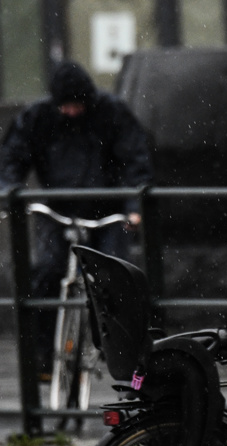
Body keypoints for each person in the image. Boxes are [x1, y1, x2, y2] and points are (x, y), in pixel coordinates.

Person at [0, 61, 152, 373]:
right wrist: (10, 190)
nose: (71, 112)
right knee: (47, 273)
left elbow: (135, 158)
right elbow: (12, 157)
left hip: (106, 209)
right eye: (65, 106)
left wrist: (133, 206)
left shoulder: (111, 113)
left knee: (115, 276)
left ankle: (122, 352)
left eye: (76, 105)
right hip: (59, 210)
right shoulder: (38, 117)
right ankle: (44, 354)